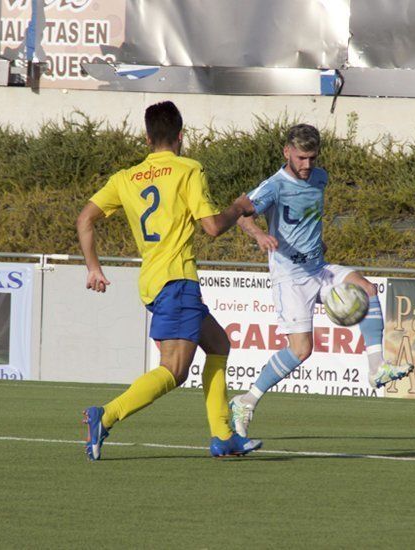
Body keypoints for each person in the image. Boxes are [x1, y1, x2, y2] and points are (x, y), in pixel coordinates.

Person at [76, 101, 262, 460]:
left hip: (154, 282)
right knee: (174, 371)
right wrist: (239, 207)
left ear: (147, 139)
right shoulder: (188, 169)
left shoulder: (125, 178)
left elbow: (85, 219)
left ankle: (223, 436)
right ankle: (106, 415)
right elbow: (212, 227)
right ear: (181, 136)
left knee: (219, 344)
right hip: (177, 281)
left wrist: (93, 267)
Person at [228, 123, 413, 437]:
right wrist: (260, 234)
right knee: (301, 350)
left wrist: (316, 243)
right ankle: (247, 400)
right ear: (287, 152)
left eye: (312, 157)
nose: (306, 165)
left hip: (318, 268)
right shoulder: (275, 185)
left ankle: (376, 367)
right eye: (300, 157)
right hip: (290, 278)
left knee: (366, 288)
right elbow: (240, 211)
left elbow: (308, 217)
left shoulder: (320, 178)